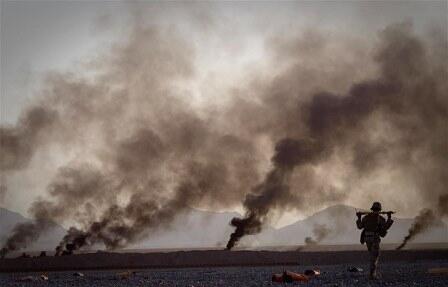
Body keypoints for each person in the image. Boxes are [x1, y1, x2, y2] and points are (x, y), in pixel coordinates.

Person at [356, 202, 394, 279]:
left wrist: (359, 217)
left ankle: (373, 274)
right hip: (374, 239)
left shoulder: (366, 218)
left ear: (372, 209)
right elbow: (386, 227)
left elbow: (359, 226)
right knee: (375, 257)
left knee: (372, 256)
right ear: (379, 209)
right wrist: (389, 217)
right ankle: (372, 275)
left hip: (367, 239)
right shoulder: (380, 218)